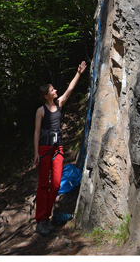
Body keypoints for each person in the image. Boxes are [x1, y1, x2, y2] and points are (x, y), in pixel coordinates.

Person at [34, 60, 87, 237]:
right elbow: (37, 132)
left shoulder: (59, 104)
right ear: (46, 95)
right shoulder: (41, 111)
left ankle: (47, 216)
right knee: (43, 185)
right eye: (52, 90)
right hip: (44, 149)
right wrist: (36, 152)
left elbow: (70, 89)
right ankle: (41, 220)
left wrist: (79, 73)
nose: (55, 90)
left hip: (58, 149)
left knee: (56, 184)